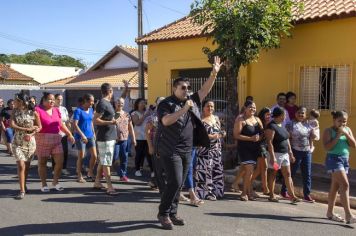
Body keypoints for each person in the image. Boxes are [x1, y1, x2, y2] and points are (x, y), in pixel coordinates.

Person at [155, 56, 222, 230]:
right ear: (174, 88)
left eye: (188, 88)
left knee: (180, 182)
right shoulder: (166, 103)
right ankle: (163, 213)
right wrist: (184, 109)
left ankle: (172, 213)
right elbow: (166, 121)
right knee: (175, 182)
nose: (186, 90)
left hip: (188, 149)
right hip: (170, 149)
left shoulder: (191, 100)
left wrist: (214, 73)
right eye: (183, 88)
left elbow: (204, 90)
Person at [35, 92, 75, 192]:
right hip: (42, 138)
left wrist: (69, 134)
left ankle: (55, 182)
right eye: (50, 99)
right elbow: (34, 125)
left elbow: (61, 124)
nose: (52, 101)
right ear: (44, 100)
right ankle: (44, 184)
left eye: (53, 99)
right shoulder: (37, 110)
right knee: (42, 163)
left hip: (57, 139)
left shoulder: (56, 110)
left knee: (60, 162)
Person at [323, 111, 356, 224]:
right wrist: (338, 135)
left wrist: (346, 134)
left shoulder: (347, 129)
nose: (342, 123)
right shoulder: (328, 131)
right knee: (345, 184)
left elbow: (353, 145)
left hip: (344, 160)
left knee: (335, 186)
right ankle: (348, 215)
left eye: (344, 121)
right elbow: (328, 147)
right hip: (333, 159)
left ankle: (330, 212)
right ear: (334, 120)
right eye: (339, 121)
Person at [280, 106, 316, 203]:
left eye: (303, 113)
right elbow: (287, 138)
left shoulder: (308, 124)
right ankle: (284, 191)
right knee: (291, 173)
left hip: (307, 151)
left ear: (305, 115)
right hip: (295, 151)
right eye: (299, 112)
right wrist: (290, 152)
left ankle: (307, 194)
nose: (301, 115)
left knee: (307, 174)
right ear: (295, 113)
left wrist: (315, 130)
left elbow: (313, 137)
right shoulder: (290, 124)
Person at [265, 107, 300, 203]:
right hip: (276, 155)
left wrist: (290, 153)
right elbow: (269, 142)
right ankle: (271, 195)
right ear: (280, 115)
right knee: (273, 173)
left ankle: (292, 196)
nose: (285, 117)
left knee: (288, 174)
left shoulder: (281, 125)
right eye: (284, 115)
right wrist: (273, 158)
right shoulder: (271, 126)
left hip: (284, 155)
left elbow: (286, 139)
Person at [10, 93, 41, 199]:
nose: (14, 102)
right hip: (17, 142)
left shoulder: (34, 112)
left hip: (30, 142)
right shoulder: (14, 111)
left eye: (16, 100)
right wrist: (26, 129)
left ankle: (24, 184)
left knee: (27, 167)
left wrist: (31, 133)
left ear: (22, 102)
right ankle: (22, 190)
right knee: (21, 165)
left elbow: (39, 127)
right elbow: (12, 125)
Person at [196, 99, 225, 201]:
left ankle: (218, 191)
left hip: (217, 149)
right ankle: (207, 193)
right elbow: (198, 135)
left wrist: (222, 134)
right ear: (203, 108)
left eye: (212, 106)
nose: (210, 108)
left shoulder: (216, 118)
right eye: (208, 106)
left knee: (216, 169)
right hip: (205, 150)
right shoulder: (200, 119)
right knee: (206, 170)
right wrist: (212, 136)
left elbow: (220, 130)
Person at [233, 100, 263, 201]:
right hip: (244, 149)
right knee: (249, 170)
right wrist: (250, 138)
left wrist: (260, 137)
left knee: (249, 171)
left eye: (254, 107)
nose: (253, 109)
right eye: (250, 107)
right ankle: (244, 193)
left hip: (255, 149)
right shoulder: (241, 120)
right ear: (245, 108)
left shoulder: (258, 119)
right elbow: (236, 135)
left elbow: (262, 132)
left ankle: (248, 191)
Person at [93, 83, 118, 195]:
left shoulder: (107, 103)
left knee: (103, 161)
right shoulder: (102, 103)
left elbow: (108, 117)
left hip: (109, 136)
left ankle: (97, 182)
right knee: (106, 162)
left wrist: (114, 119)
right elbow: (96, 120)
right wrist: (111, 122)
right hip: (105, 137)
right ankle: (110, 187)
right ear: (110, 91)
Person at [72, 94, 97, 183]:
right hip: (80, 137)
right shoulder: (78, 111)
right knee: (81, 156)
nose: (93, 103)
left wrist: (94, 133)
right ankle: (79, 175)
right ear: (85, 101)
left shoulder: (91, 110)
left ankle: (90, 172)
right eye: (91, 101)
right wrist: (82, 135)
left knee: (94, 156)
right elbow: (75, 125)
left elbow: (91, 123)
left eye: (93, 101)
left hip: (90, 136)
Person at [113, 97, 136, 182]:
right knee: (114, 157)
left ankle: (123, 175)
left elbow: (131, 127)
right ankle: (105, 170)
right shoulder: (113, 114)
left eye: (122, 103)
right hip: (115, 140)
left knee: (124, 158)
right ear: (115, 103)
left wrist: (133, 138)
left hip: (125, 139)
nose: (120, 104)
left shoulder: (127, 114)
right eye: (118, 102)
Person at [250, 107, 271, 196]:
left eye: (270, 115)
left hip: (264, 146)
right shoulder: (259, 123)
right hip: (259, 146)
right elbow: (258, 136)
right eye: (267, 114)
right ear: (263, 114)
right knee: (264, 167)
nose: (269, 116)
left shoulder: (268, 123)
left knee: (260, 168)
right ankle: (265, 187)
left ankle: (250, 182)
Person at [145, 97, 165, 190]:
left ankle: (155, 182)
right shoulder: (153, 117)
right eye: (160, 102)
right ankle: (156, 183)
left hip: (167, 144)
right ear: (156, 104)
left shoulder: (168, 114)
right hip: (156, 144)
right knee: (158, 166)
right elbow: (147, 131)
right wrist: (150, 146)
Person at [131, 98, 152, 177]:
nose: (143, 104)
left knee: (149, 154)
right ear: (137, 104)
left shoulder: (147, 112)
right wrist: (145, 115)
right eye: (141, 103)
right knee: (139, 154)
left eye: (144, 103)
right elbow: (137, 123)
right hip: (139, 136)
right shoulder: (134, 113)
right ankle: (137, 169)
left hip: (147, 136)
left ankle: (152, 170)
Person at [54, 94, 71, 175]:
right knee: (55, 152)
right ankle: (55, 168)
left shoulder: (64, 109)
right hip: (54, 133)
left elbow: (67, 121)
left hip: (63, 133)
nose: (60, 100)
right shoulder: (52, 109)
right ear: (54, 99)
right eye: (58, 99)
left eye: (61, 99)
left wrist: (69, 132)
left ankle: (64, 168)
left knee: (65, 151)